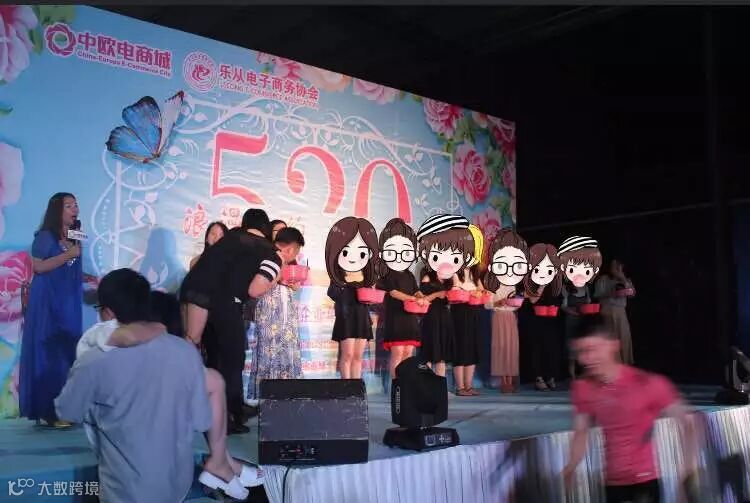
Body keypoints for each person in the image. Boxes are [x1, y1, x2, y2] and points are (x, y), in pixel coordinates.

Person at [55, 269, 213, 502]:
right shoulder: (185, 352)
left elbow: (67, 411)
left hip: (125, 489)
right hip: (177, 484)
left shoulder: (94, 360)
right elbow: (202, 420)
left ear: (108, 313)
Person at [562, 315, 697, 503]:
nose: (587, 359)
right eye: (581, 352)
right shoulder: (582, 388)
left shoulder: (645, 383)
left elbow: (688, 422)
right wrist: (571, 466)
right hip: (613, 484)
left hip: (644, 483)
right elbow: (581, 432)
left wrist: (687, 471)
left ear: (613, 345)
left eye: (593, 349)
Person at [180, 208, 281, 433]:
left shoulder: (232, 236)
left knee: (189, 346)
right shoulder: (271, 253)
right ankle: (225, 420)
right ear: (266, 229)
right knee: (231, 361)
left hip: (193, 289)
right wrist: (275, 279)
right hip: (225, 302)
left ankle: (179, 405)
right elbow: (255, 289)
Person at [19, 192, 95, 427]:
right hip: (47, 302)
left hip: (68, 302)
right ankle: (48, 411)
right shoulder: (44, 236)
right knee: (48, 352)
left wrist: (89, 277)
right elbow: (39, 267)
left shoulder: (76, 235)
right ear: (57, 211)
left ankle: (65, 408)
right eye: (69, 206)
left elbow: (70, 266)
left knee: (66, 352)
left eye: (76, 205)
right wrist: (69, 255)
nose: (75, 210)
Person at [415, 214, 479, 379]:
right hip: (431, 318)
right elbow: (423, 300)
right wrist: (438, 294)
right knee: (430, 353)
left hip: (445, 317)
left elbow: (456, 293)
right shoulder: (427, 277)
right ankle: (428, 385)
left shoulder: (450, 277)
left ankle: (440, 387)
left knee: (442, 355)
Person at [325, 217, 386, 379]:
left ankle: (356, 385)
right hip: (346, 318)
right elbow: (332, 293)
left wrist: (371, 296)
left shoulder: (366, 272)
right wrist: (344, 283)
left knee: (358, 356)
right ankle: (347, 387)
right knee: (347, 355)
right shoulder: (338, 271)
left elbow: (371, 298)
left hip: (362, 318)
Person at [254, 227, 305, 385]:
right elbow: (259, 286)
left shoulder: (286, 260)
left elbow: (295, 286)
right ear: (291, 249)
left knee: (287, 349)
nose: (295, 256)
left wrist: (291, 281)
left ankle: (286, 390)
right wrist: (280, 277)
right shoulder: (269, 255)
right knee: (269, 351)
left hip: (285, 309)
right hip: (269, 309)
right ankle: (269, 392)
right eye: (296, 251)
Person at [376, 218, 426, 379]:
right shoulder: (388, 272)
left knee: (408, 353)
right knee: (397, 352)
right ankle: (396, 384)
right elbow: (393, 292)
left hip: (410, 318)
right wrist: (412, 298)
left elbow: (416, 291)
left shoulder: (409, 274)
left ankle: (406, 384)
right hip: (396, 317)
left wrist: (421, 297)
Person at [483, 229, 529, 393]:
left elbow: (514, 301)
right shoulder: (492, 282)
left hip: (510, 316)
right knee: (501, 348)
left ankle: (511, 379)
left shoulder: (512, 281)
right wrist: (499, 302)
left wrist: (517, 303)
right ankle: (504, 382)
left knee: (511, 348)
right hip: (499, 316)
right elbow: (487, 304)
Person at [520, 243, 563, 391]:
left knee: (551, 348)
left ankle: (551, 377)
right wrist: (542, 285)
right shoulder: (530, 279)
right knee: (537, 349)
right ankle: (538, 378)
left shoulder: (554, 279)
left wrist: (555, 306)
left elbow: (558, 298)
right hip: (535, 319)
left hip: (551, 319)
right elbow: (532, 300)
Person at [558, 236, 602, 379]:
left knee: (585, 345)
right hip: (572, 320)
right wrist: (573, 311)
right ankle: (572, 374)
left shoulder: (586, 287)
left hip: (584, 320)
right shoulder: (566, 288)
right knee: (572, 346)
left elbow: (589, 303)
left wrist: (588, 309)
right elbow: (563, 306)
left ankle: (586, 372)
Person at [595, 258, 636, 365]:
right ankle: (612, 364)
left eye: (618, 266)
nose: (615, 268)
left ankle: (625, 364)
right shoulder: (603, 279)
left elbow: (632, 293)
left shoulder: (625, 280)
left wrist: (622, 278)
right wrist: (612, 294)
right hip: (607, 310)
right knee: (611, 339)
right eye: (613, 265)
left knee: (623, 337)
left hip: (620, 312)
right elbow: (598, 295)